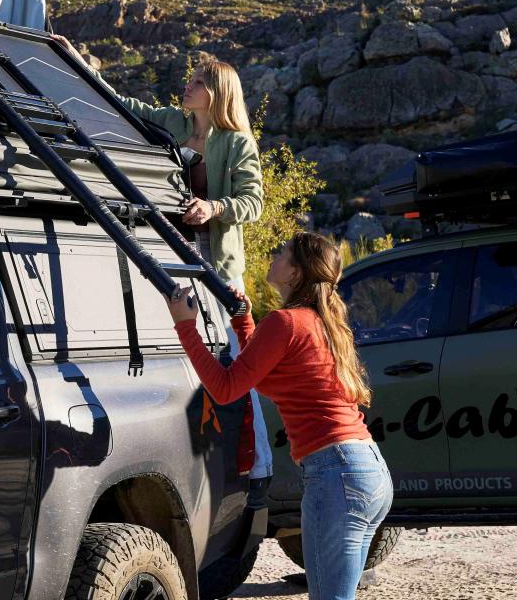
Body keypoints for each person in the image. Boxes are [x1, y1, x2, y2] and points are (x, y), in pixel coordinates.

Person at [54, 37, 273, 491]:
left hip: (219, 264)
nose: (186, 86)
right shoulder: (175, 122)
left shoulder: (237, 144)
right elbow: (124, 105)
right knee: (185, 350)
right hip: (178, 255)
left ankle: (258, 466)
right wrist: (75, 61)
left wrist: (214, 208)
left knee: (238, 359)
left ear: (215, 93)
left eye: (195, 82)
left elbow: (254, 203)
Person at [166, 231, 392, 600]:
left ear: (296, 274)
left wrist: (185, 326)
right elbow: (267, 379)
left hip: (337, 475)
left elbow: (226, 389)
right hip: (367, 472)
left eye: (283, 253)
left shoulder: (287, 322)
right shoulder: (318, 322)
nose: (275, 255)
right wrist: (243, 322)